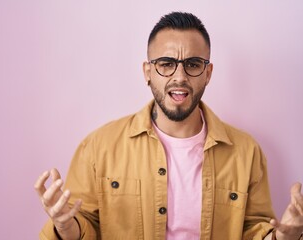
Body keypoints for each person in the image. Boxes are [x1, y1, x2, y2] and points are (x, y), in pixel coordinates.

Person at [35, 12, 303, 240]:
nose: (180, 77)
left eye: (193, 64)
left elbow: (254, 231)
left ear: (208, 74)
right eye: (166, 64)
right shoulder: (98, 147)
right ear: (147, 72)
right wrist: (64, 225)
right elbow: (85, 226)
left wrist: (283, 236)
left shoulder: (247, 152)